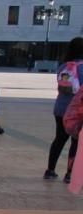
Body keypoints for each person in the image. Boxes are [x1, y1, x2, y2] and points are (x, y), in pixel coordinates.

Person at [48, 37, 82, 182]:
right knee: (76, 142)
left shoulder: (63, 67)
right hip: (76, 111)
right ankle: (69, 174)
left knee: (59, 139)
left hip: (60, 108)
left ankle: (50, 170)